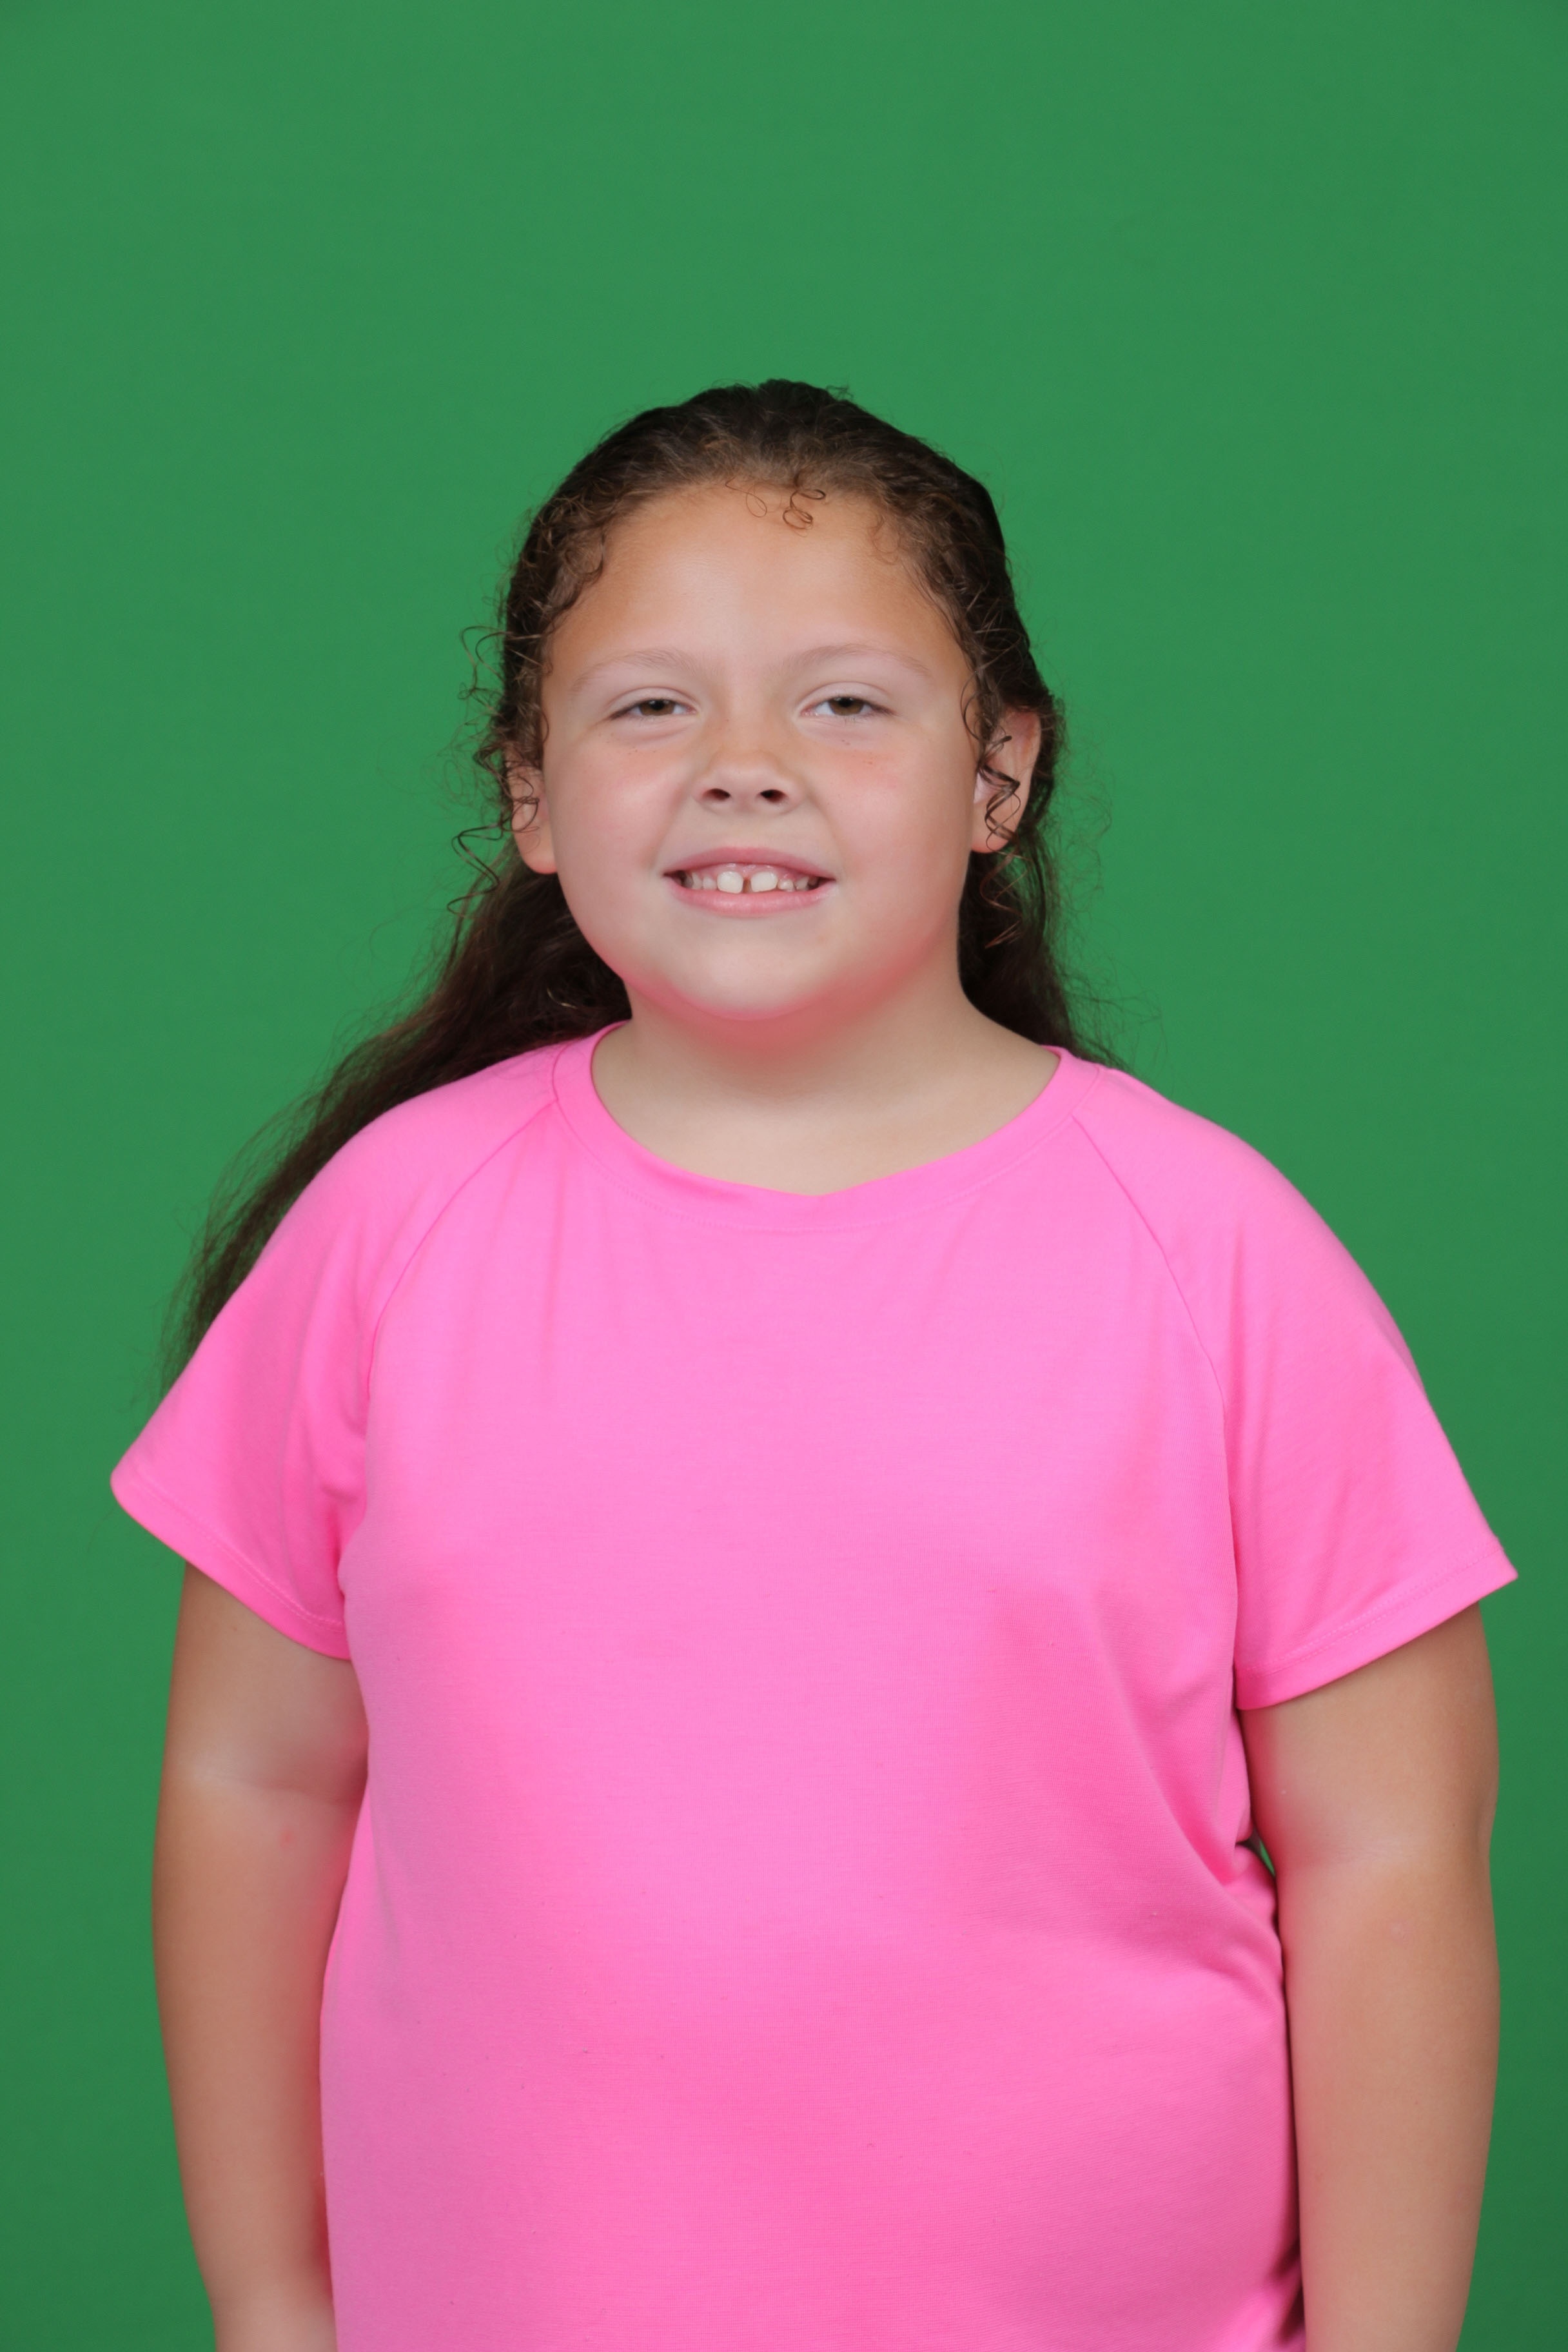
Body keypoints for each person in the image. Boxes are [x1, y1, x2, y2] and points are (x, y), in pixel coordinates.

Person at [113, 380, 1512, 2352]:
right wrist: (272, 2301)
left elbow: (1391, 1860)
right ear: (530, 792)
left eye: (845, 703)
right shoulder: (392, 1231)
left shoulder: (1214, 1256)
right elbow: (252, 1777)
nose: (744, 770)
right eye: (649, 706)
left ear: (1000, 771)